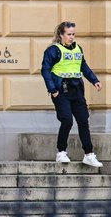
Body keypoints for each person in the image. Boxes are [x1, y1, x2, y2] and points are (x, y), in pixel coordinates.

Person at [40, 21, 103, 167]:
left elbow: (83, 66)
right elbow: (45, 70)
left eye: (73, 34)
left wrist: (94, 80)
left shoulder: (77, 49)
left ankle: (89, 154)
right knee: (67, 120)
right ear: (61, 35)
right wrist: (52, 90)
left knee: (83, 121)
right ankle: (61, 152)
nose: (72, 37)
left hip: (76, 90)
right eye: (69, 34)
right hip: (61, 90)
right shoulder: (53, 50)